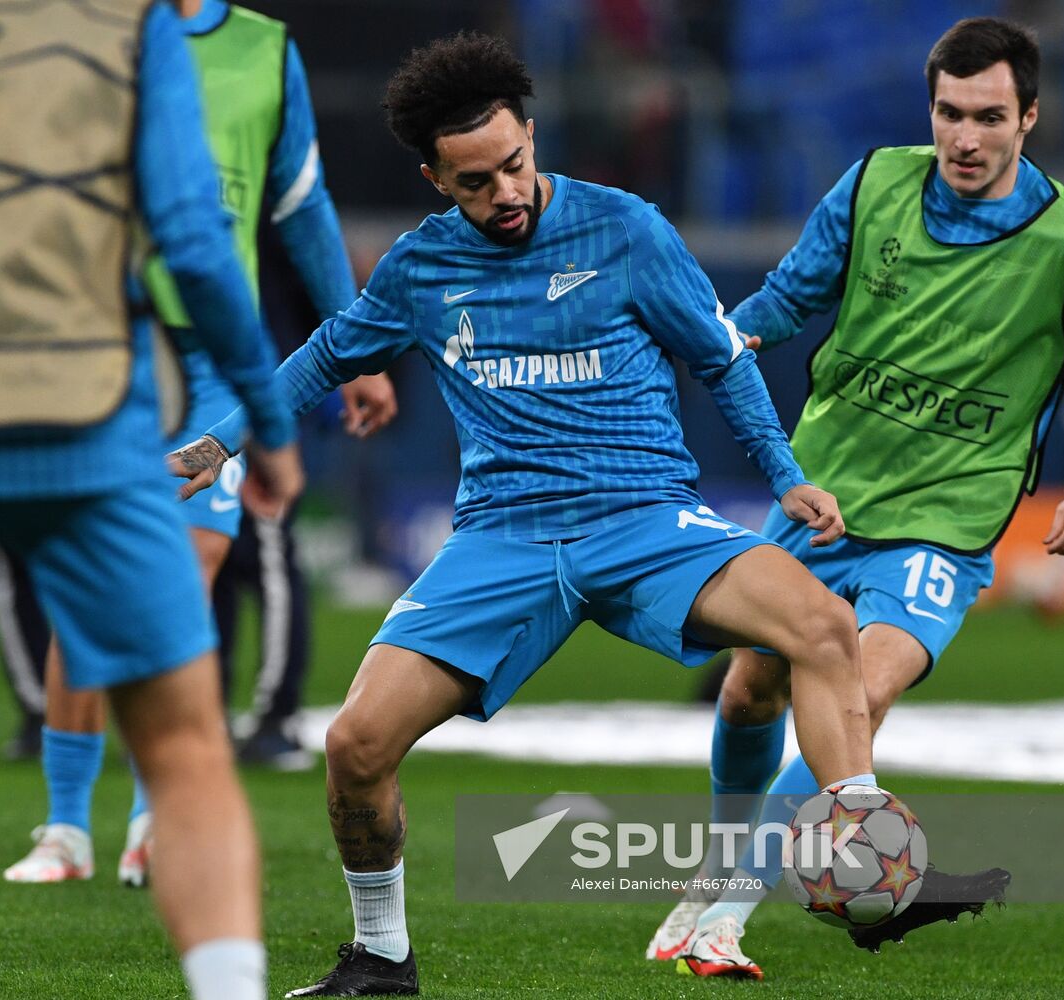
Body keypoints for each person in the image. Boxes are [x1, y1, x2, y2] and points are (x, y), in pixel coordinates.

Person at [177, 31, 884, 997]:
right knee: (353, 747)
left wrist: (784, 473)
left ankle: (861, 838)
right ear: (435, 179)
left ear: (532, 137)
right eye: (474, 182)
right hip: (503, 540)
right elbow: (324, 356)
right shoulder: (420, 270)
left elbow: (720, 357)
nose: (504, 193)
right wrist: (219, 441)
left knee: (823, 625)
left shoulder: (627, 229)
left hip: (644, 522)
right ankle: (381, 958)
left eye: (514, 164)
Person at [0, 2, 304, 999]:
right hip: (88, 419)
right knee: (184, 743)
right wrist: (268, 419)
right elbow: (196, 242)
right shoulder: (132, 19)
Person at [648, 17, 1064, 980]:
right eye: (949, 113)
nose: (966, 138)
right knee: (748, 690)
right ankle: (719, 870)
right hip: (827, 498)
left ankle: (727, 916)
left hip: (946, 520)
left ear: (1031, 116)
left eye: (989, 117)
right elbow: (784, 299)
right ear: (929, 109)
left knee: (860, 686)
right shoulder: (871, 185)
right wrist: (709, 344)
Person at [0, 0, 394, 887]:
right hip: (97, 351)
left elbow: (300, 203)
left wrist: (356, 344)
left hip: (219, 360)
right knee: (81, 583)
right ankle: (65, 827)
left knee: (185, 576)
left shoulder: (265, 48)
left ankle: (150, 817)